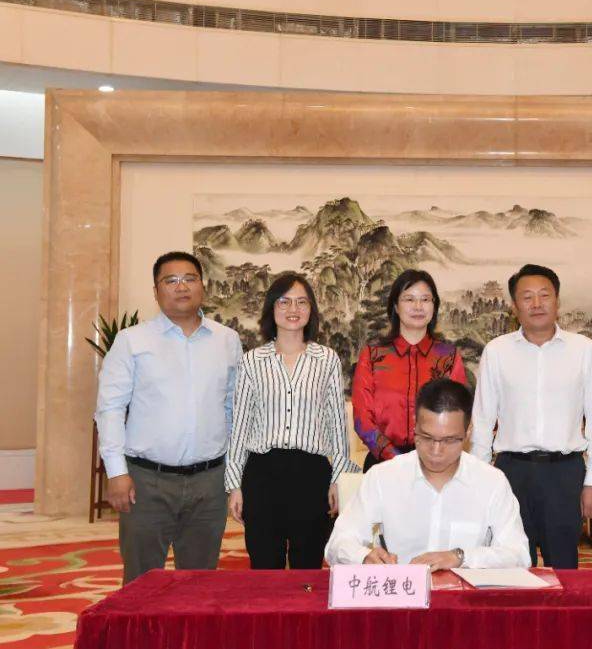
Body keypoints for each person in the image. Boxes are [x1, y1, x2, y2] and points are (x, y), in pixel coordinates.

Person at [94, 250, 243, 584]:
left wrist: (234, 475)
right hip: (146, 482)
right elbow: (110, 409)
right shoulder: (132, 341)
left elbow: (234, 409)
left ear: (203, 286)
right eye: (171, 280)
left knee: (199, 582)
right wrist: (117, 473)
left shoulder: (227, 340)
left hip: (209, 481)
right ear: (156, 290)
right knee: (141, 582)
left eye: (190, 278)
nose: (181, 287)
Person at [470, 264, 592, 569]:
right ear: (514, 306)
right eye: (527, 297)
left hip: (565, 474)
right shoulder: (497, 351)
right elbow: (482, 423)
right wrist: (479, 481)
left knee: (564, 569)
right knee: (513, 566)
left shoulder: (582, 350)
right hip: (511, 473)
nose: (536, 304)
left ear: (557, 301)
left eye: (544, 295)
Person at [326, 378, 530, 568]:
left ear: (468, 432)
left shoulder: (491, 481)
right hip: (401, 590)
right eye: (426, 437)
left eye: (449, 440)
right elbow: (337, 543)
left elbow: (519, 554)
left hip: (464, 592)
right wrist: (363, 556)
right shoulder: (383, 477)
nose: (436, 451)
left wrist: (461, 557)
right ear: (415, 424)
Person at [225, 272, 355, 569]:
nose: (293, 309)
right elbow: (240, 427)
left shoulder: (327, 359)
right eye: (284, 302)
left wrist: (338, 480)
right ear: (272, 308)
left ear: (311, 310)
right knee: (264, 568)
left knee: (307, 568)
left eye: (301, 302)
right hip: (262, 475)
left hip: (311, 476)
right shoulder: (252, 361)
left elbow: (338, 426)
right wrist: (235, 485)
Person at [353, 269, 467, 472]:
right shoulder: (372, 355)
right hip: (383, 465)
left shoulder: (448, 357)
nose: (418, 306)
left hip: (436, 464)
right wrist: (395, 458)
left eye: (425, 299)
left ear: (434, 306)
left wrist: (431, 456)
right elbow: (363, 419)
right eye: (409, 299)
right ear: (396, 306)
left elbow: (458, 416)